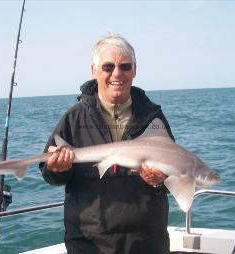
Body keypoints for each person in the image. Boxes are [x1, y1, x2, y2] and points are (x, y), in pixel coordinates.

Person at [40, 35, 174, 254]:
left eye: (125, 66)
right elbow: (50, 175)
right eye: (108, 67)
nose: (117, 74)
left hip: (148, 242)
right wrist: (56, 169)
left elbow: (174, 177)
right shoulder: (73, 119)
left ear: (135, 70)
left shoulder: (154, 118)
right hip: (91, 244)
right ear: (94, 70)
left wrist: (161, 180)